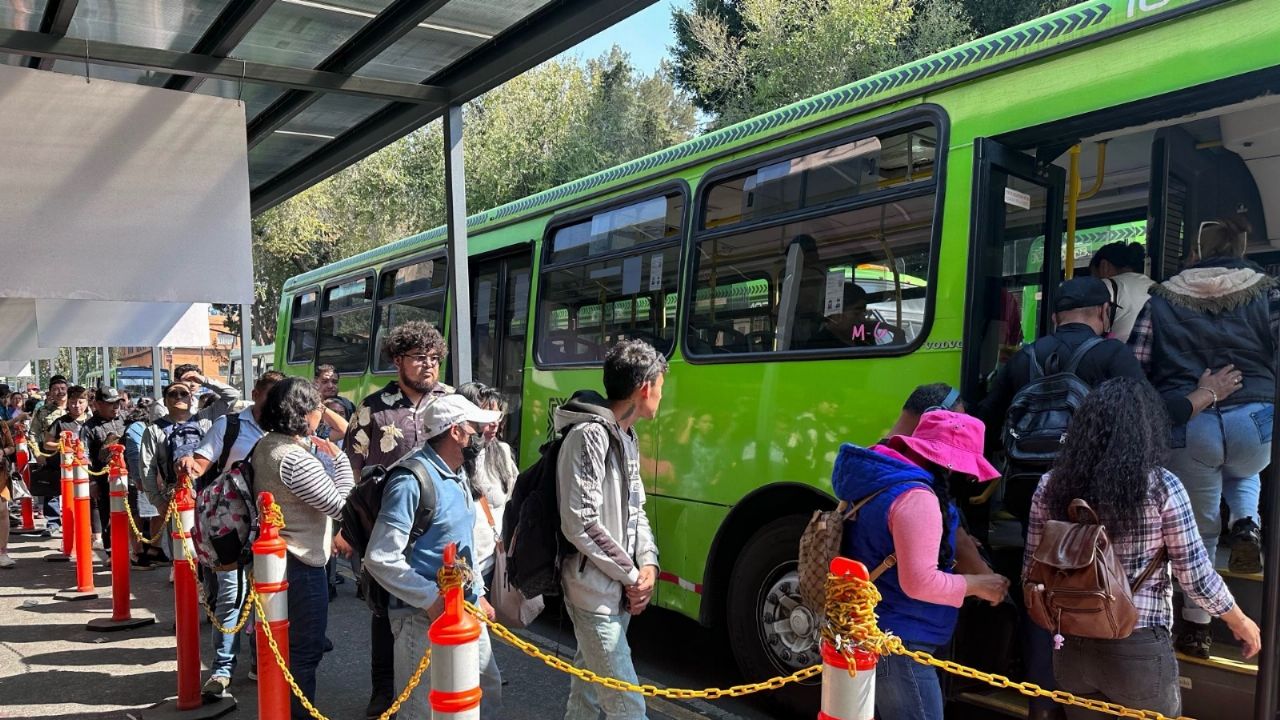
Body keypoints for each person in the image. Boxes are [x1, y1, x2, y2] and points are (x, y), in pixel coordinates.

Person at [1023, 378, 1260, 717]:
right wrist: (1239, 621)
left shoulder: (1050, 486)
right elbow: (1195, 576)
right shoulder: (1161, 486)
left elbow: (1033, 570)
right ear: (1146, 430)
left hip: (1071, 646)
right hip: (1137, 646)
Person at [1127, 215, 1276, 657]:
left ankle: (1196, 630)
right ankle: (1247, 523)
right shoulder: (1267, 290)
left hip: (1190, 423)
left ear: (1198, 249)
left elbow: (1137, 361)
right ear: (1241, 248)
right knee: (1245, 468)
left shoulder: (1163, 297)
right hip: (1256, 417)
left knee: (1200, 530)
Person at [833, 410, 1009, 720]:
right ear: (948, 464)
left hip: (873, 628)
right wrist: (979, 585)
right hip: (901, 642)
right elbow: (919, 582)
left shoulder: (882, 480)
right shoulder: (918, 498)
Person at [364, 394, 503, 720]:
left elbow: (462, 542)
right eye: (475, 427)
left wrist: (478, 594)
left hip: (463, 611)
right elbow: (380, 557)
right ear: (456, 432)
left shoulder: (457, 474)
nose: (481, 434)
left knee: (485, 689)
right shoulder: (411, 480)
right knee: (420, 709)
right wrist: (430, 599)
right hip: (420, 620)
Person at [341, 320, 453, 720]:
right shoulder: (373, 407)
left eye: (434, 358)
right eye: (419, 358)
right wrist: (347, 527)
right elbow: (349, 468)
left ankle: (446, 684)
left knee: (445, 603)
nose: (428, 365)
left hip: (440, 528)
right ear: (397, 360)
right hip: (386, 525)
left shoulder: (450, 402)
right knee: (383, 611)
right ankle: (383, 691)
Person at [975, 277, 1148, 525]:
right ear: (1104, 310)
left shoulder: (1024, 357)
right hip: (1090, 492)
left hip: (1028, 488)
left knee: (1036, 552)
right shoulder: (1115, 355)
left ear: (1055, 318)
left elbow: (988, 419)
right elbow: (1147, 417)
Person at [555, 339, 663, 720]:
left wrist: (648, 564)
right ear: (645, 387)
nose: (661, 396)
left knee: (585, 699)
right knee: (628, 707)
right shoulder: (589, 436)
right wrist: (633, 576)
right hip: (593, 594)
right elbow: (579, 522)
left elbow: (638, 511)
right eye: (661, 387)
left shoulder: (626, 437)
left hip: (615, 590)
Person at [250, 377, 354, 718]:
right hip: (301, 561)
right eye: (317, 408)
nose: (320, 415)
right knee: (304, 652)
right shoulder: (294, 458)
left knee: (281, 648)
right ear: (302, 412)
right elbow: (342, 506)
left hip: (276, 561)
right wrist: (339, 461)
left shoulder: (266, 445)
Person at [180, 370, 284, 697]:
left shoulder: (287, 428)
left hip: (272, 530)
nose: (275, 405)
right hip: (230, 524)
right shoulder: (231, 425)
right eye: (270, 397)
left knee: (270, 598)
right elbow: (201, 461)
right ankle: (222, 670)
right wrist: (188, 464)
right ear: (256, 394)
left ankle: (261, 661)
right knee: (230, 598)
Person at [456, 383, 519, 591]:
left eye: (497, 416)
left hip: (496, 564)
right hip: (462, 569)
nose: (493, 424)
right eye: (485, 416)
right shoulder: (453, 458)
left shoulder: (502, 452)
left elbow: (513, 500)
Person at [81, 386, 126, 550]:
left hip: (127, 478)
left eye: (117, 403)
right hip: (103, 480)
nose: (116, 407)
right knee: (107, 515)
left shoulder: (124, 419)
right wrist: (91, 482)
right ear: (98, 404)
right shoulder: (88, 428)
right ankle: (110, 551)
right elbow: (84, 456)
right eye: (111, 403)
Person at [804, 282, 905, 349]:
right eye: (856, 313)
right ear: (836, 314)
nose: (862, 318)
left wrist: (890, 330)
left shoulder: (862, 339)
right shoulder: (819, 346)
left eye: (864, 313)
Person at [1089, 241, 1153, 343]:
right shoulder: (1156, 287)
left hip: (1118, 354)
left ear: (1104, 266)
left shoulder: (1105, 286)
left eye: (1093, 275)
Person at [28, 376, 69, 521]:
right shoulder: (43, 411)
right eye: (56, 389)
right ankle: (53, 523)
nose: (60, 392)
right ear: (50, 392)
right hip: (50, 455)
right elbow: (32, 434)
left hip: (74, 457)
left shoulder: (78, 408)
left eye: (63, 388)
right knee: (51, 490)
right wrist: (38, 454)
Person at [172, 364, 240, 424]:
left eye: (196, 380)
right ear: (176, 381)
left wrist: (205, 381)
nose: (193, 384)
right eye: (188, 380)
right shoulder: (164, 405)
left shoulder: (205, 412)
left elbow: (233, 395)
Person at [0, 417, 16, 568]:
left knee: (3, 511)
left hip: (0, 474)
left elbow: (11, 447)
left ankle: (2, 553)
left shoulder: (1, 424)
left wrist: (2, 451)